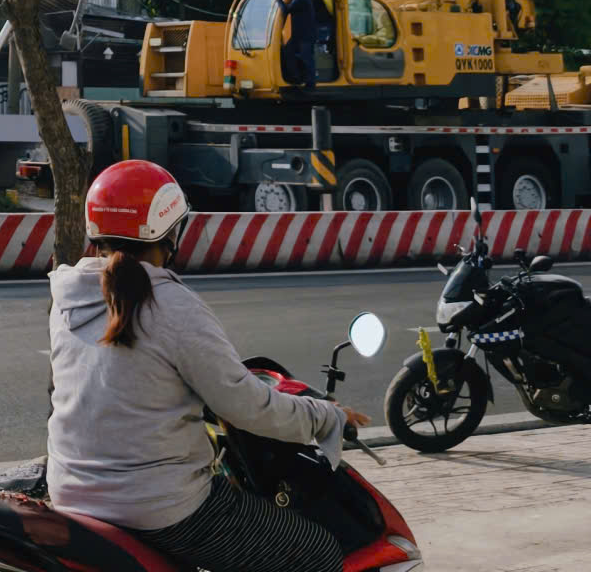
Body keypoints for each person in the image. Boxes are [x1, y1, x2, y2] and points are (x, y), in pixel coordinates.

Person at [47, 160, 367, 572]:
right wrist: (326, 418)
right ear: (171, 232)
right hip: (158, 508)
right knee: (317, 553)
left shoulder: (67, 297)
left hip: (71, 493)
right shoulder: (173, 305)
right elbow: (247, 407)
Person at [275, 0, 323, 95]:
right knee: (287, 51)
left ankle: (310, 84)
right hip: (298, 35)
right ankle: (296, 77)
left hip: (306, 35)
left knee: (307, 59)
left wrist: (279, 0)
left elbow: (286, 10)